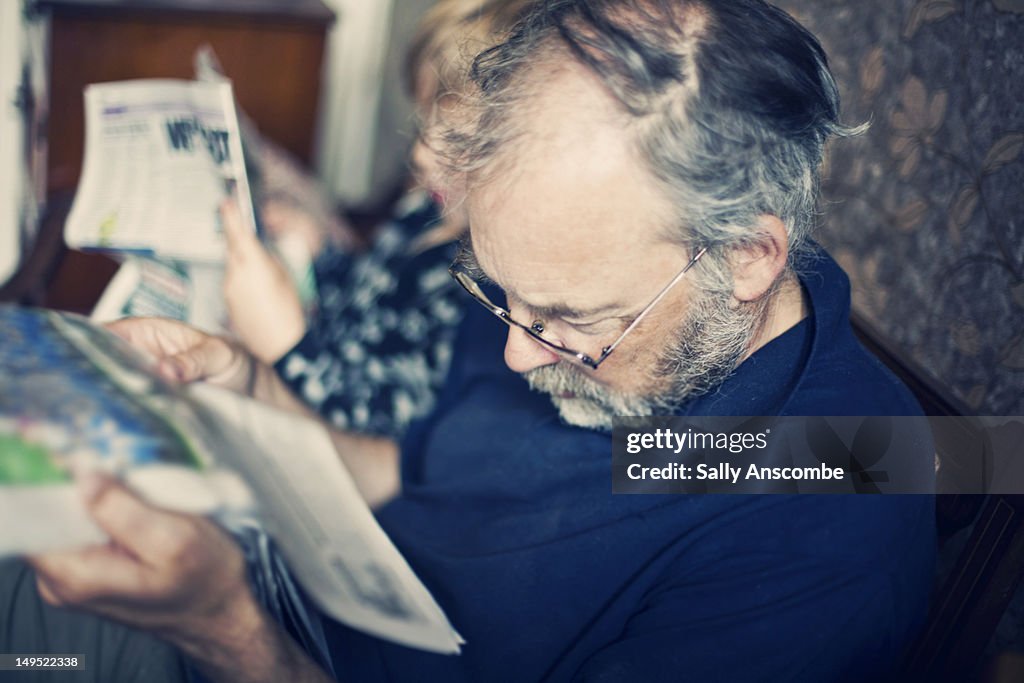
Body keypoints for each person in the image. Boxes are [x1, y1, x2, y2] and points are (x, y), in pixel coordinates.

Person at [3, 1, 936, 681]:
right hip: (299, 590)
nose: (519, 354)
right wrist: (249, 381)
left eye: (569, 320)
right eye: (504, 299)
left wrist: (227, 629)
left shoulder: (823, 533)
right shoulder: (581, 300)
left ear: (746, 258)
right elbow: (414, 474)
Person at [223, 0, 532, 439]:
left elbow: (381, 432)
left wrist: (284, 343)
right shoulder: (425, 211)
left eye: (458, 139)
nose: (421, 153)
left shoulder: (477, 290)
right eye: (425, 121)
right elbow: (363, 301)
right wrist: (320, 250)